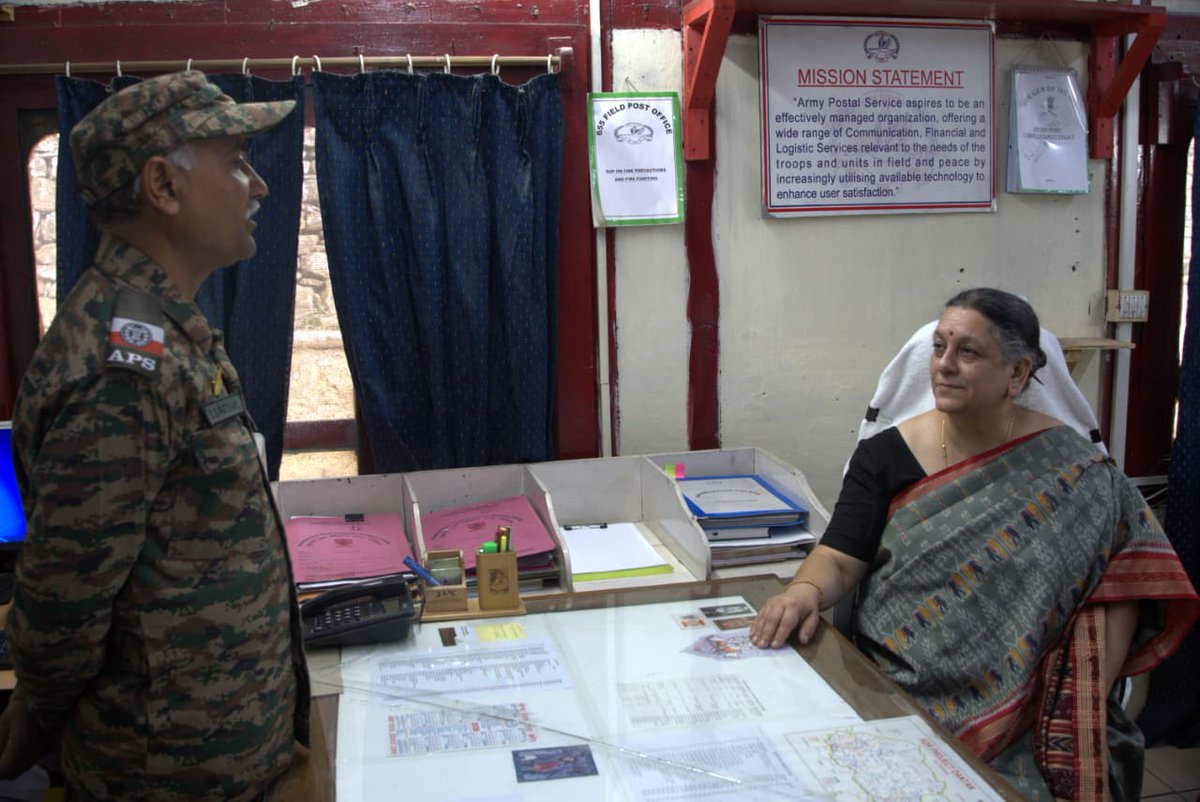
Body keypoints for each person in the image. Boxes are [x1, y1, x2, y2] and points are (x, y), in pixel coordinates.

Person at [750, 288, 1199, 801]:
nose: (944, 365)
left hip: (1036, 706)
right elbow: (838, 557)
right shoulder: (886, 456)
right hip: (898, 683)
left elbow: (1127, 580)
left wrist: (1088, 698)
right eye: (939, 347)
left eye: (968, 352)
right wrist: (804, 592)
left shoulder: (1074, 470)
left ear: (1018, 373)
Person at [0, 71, 311, 800]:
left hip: (217, 761)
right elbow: (64, 600)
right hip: (168, 773)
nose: (258, 185)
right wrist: (36, 717)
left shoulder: (161, 327)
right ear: (163, 188)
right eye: (236, 159)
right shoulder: (123, 362)